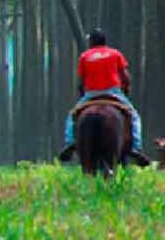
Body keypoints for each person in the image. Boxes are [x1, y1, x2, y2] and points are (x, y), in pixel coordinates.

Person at [59, 28, 150, 166]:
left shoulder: (85, 56)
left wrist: (83, 93)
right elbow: (125, 76)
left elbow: (81, 82)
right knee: (134, 117)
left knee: (71, 116)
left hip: (91, 93)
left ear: (91, 42)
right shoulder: (115, 54)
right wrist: (126, 88)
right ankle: (136, 148)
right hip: (113, 92)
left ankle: (70, 143)